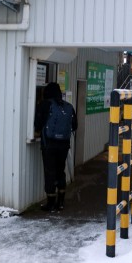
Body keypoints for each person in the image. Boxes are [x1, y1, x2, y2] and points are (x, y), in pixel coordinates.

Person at [34, 82, 77, 212]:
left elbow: (38, 125)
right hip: (64, 145)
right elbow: (74, 126)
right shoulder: (68, 106)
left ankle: (51, 204)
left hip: (49, 145)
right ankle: (61, 203)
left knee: (50, 173)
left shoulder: (45, 104)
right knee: (60, 171)